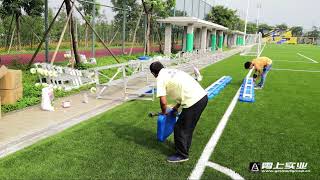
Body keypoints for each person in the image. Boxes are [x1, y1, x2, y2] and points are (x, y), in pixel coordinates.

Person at [150, 61, 208, 163]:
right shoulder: (172, 71)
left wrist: (164, 112)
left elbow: (163, 102)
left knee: (179, 128)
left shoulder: (160, 78)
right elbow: (182, 91)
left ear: (154, 73)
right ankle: (183, 147)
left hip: (194, 101)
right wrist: (176, 107)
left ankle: (182, 155)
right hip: (202, 98)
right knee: (187, 127)